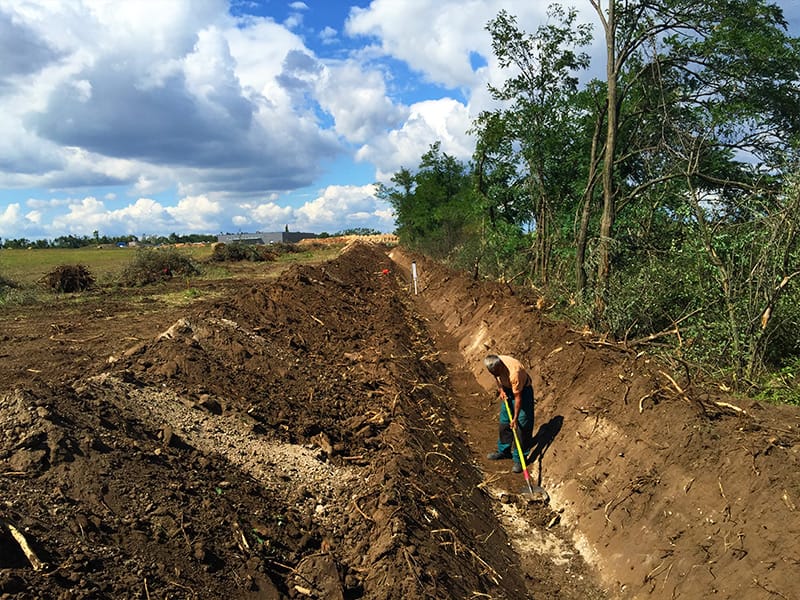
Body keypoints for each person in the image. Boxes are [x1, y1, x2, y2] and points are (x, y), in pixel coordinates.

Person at [484, 354, 534, 474]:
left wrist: (515, 418)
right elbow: (496, 377)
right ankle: (504, 451)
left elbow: (518, 398)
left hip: (522, 393)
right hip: (507, 388)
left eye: (496, 372)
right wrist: (501, 390)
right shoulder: (493, 364)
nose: (495, 374)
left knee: (522, 425)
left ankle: (519, 459)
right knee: (504, 422)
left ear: (500, 367)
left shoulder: (514, 373)